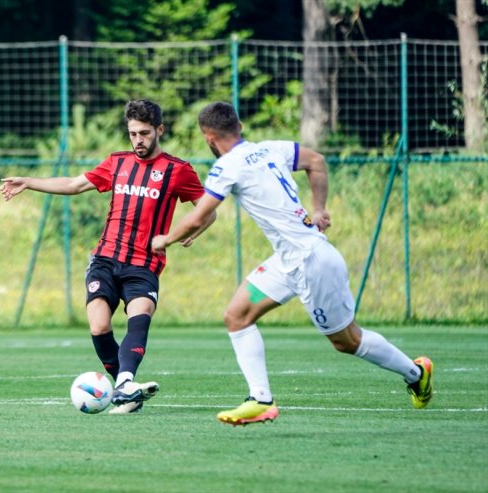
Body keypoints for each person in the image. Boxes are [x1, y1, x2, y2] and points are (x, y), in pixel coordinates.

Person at [151, 101, 433, 426]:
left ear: (209, 138)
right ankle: (260, 399)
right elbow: (316, 160)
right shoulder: (271, 148)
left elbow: (200, 213)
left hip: (312, 264)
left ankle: (416, 372)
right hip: (286, 264)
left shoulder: (228, 165)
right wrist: (320, 208)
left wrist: (167, 239)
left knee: (347, 341)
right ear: (239, 126)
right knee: (237, 315)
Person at [0, 99, 214, 414]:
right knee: (99, 327)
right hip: (105, 259)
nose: (138, 140)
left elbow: (207, 209)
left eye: (144, 133)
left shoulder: (177, 170)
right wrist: (29, 183)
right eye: (132, 134)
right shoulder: (117, 163)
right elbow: (74, 184)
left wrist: (189, 232)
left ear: (159, 130)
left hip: (144, 263)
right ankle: (125, 389)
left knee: (138, 317)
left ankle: (126, 381)